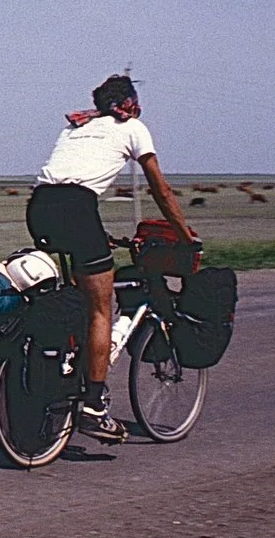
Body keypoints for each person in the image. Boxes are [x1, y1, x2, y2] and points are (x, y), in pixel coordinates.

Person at [28, 73, 196, 443]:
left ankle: (64, 370)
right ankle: (93, 408)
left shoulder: (77, 127)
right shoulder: (133, 128)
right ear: (130, 104)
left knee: (78, 295)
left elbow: (67, 178)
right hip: (78, 209)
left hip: (40, 206)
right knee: (102, 308)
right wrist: (185, 236)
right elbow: (161, 190)